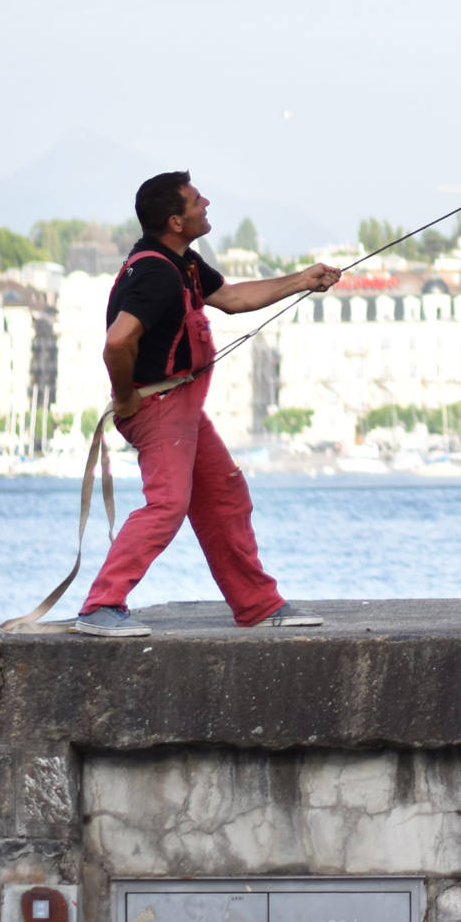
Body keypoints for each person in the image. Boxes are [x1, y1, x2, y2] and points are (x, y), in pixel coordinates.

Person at [74, 172, 342, 637]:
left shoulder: (183, 263)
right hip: (157, 409)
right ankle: (101, 605)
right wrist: (124, 398)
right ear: (176, 221)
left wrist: (304, 280)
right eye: (198, 201)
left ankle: (257, 604)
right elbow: (117, 342)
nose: (206, 203)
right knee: (167, 506)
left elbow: (234, 299)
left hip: (182, 408)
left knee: (224, 495)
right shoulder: (156, 273)